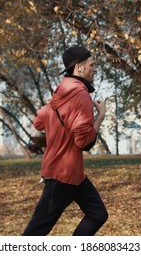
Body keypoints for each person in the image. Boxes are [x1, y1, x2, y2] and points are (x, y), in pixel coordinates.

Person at [23, 46, 108, 236]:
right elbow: (84, 142)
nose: (95, 69)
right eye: (92, 65)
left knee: (98, 214)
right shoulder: (81, 95)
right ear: (79, 68)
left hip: (74, 174)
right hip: (62, 173)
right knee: (35, 232)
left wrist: (56, 111)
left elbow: (38, 122)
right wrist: (100, 116)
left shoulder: (59, 95)